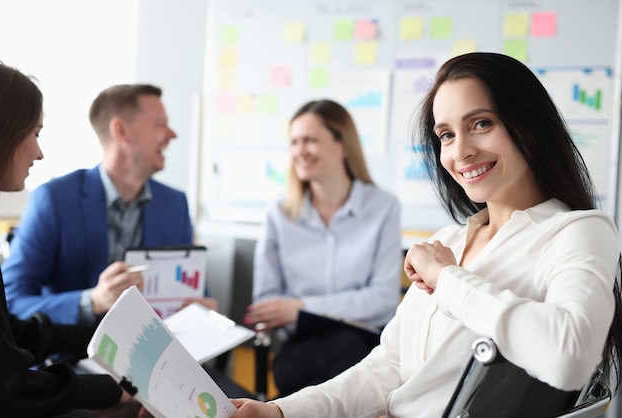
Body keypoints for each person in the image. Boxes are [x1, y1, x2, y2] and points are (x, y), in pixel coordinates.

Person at [229, 52, 622, 417]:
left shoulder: (578, 231)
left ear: (530, 126)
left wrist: (447, 280)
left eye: (481, 124)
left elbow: (570, 356)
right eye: (447, 135)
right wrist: (280, 411)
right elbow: (388, 367)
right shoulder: (447, 241)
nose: (460, 151)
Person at [0, 58, 146, 417]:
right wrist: (114, 391)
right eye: (35, 133)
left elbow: (10, 333)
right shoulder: (53, 198)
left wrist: (107, 344)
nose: (40, 152)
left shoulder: (174, 203)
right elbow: (9, 389)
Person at [3, 83, 217, 326]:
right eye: (160, 124)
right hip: (73, 357)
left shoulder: (175, 204)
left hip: (153, 355)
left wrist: (201, 309)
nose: (172, 134)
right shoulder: (54, 199)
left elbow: (195, 291)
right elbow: (12, 301)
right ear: (121, 131)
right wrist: (93, 300)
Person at [243, 99, 402, 396]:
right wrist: (327, 310)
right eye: (294, 142)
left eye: (310, 140)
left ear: (342, 145)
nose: (300, 151)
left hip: (365, 347)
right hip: (300, 351)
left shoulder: (383, 207)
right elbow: (266, 305)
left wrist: (300, 308)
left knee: (349, 351)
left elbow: (382, 300)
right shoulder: (278, 213)